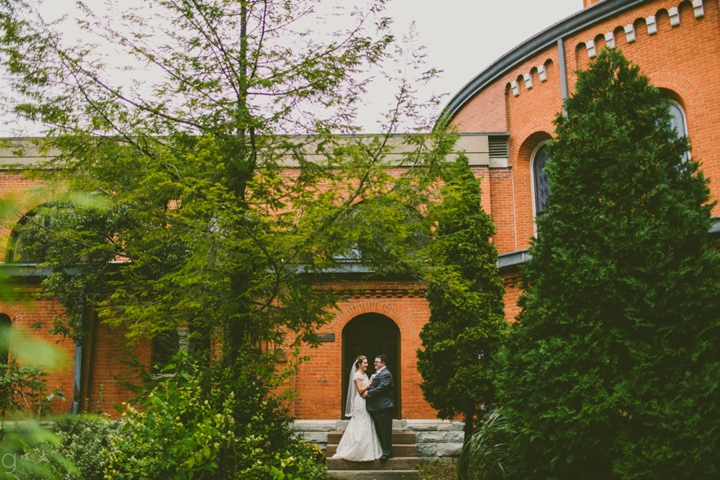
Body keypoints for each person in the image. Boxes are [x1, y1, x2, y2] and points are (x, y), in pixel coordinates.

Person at [332, 355, 383, 461]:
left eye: (367, 362)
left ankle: (369, 450)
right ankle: (355, 447)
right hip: (360, 402)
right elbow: (360, 390)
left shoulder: (364, 374)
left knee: (367, 422)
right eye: (365, 363)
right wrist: (370, 383)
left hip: (366, 401)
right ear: (359, 364)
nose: (367, 365)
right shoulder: (357, 375)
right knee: (360, 422)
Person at [363, 354, 394, 460]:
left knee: (384, 430)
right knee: (380, 430)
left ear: (383, 363)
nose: (374, 363)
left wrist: (368, 393)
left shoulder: (386, 374)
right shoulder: (378, 373)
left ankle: (387, 452)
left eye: (377, 362)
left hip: (383, 407)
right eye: (375, 361)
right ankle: (382, 450)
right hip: (377, 407)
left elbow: (381, 388)